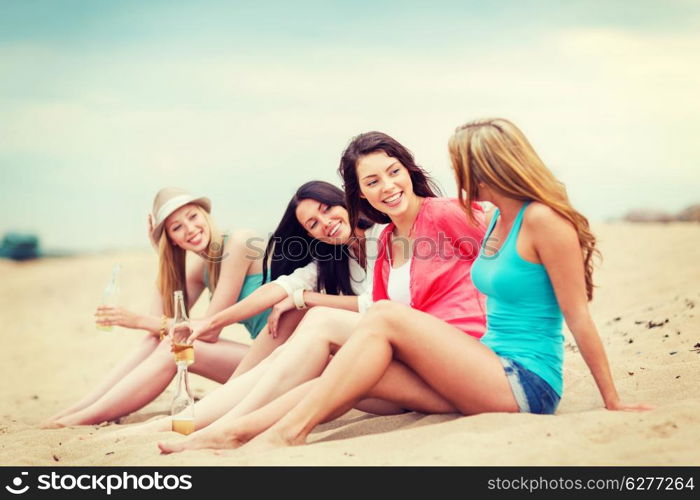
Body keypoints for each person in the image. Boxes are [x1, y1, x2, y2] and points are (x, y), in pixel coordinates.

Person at [218, 118, 650, 451]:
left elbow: (577, 314)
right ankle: (233, 431)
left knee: (381, 317)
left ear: (496, 166)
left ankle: (290, 434)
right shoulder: (497, 219)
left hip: (526, 382)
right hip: (480, 364)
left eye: (467, 167)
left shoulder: (538, 220)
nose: (461, 178)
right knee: (343, 376)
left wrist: (611, 399)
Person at [156, 131, 488, 453]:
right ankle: (220, 427)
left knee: (320, 322)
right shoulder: (388, 240)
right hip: (421, 367)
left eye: (393, 172)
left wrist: (306, 299)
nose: (386, 187)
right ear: (359, 192)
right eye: (372, 182)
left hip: (463, 360)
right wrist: (208, 324)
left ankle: (221, 424)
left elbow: (505, 241)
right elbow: (281, 288)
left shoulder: (434, 216)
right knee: (324, 374)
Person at [99, 179, 387, 437]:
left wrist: (305, 299)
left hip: (332, 354)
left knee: (303, 335)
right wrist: (161, 255)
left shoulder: (381, 236)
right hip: (292, 355)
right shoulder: (331, 257)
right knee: (170, 347)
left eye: (327, 209)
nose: (325, 222)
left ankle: (209, 420)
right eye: (312, 223)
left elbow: (377, 304)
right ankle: (84, 414)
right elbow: (283, 286)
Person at [41, 187, 270, 427]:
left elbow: (209, 330)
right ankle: (80, 409)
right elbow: (158, 326)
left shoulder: (238, 243)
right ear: (172, 240)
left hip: (285, 360)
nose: (190, 229)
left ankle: (85, 417)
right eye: (177, 227)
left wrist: (136, 320)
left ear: (205, 215)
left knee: (174, 348)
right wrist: (162, 255)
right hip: (259, 360)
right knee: (159, 340)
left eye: (192, 216)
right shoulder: (202, 266)